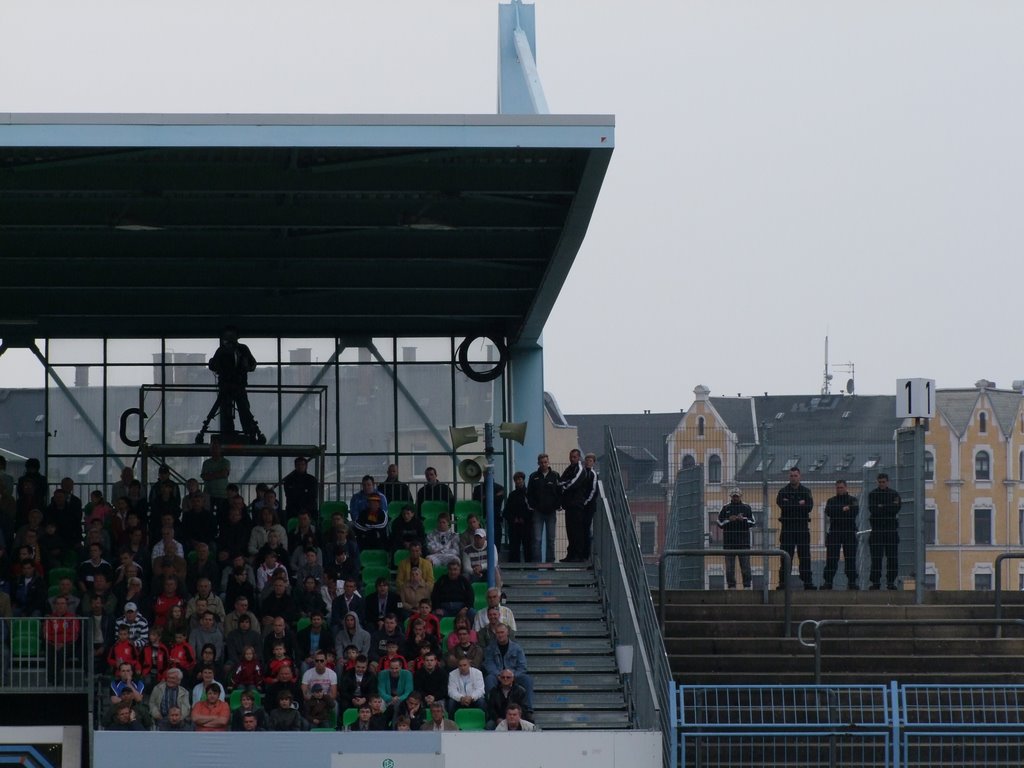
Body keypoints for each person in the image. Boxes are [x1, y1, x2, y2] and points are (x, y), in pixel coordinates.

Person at [207, 327, 264, 444]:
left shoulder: (222, 350)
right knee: (244, 410)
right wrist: (246, 366)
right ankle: (251, 432)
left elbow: (213, 366)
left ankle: (230, 432)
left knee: (231, 409)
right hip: (238, 386)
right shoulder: (241, 349)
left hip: (228, 386)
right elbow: (252, 365)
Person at [776, 468, 815, 590]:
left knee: (805, 556)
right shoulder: (783, 491)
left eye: (795, 475)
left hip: (802, 528)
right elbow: (782, 504)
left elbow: (809, 506)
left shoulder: (806, 491)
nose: (793, 477)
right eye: (791, 475)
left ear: (800, 476)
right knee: (786, 556)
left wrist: (791, 504)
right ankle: (783, 583)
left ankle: (807, 582)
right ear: (789, 477)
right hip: (787, 528)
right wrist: (799, 504)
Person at [482, 623, 533, 708]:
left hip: (514, 676)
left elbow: (522, 666)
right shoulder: (490, 648)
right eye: (498, 633)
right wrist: (500, 675)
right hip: (497, 676)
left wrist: (511, 676)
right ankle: (491, 710)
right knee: (489, 679)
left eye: (502, 632)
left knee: (527, 680)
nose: (500, 635)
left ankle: (528, 709)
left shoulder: (517, 648)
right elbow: (489, 664)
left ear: (507, 633)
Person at [822, 480, 860, 590]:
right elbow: (829, 512)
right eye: (838, 488)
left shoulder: (853, 500)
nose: (840, 489)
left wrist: (838, 511)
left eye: (841, 487)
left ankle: (852, 581)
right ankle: (828, 582)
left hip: (849, 532)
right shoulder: (831, 501)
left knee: (850, 558)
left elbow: (854, 512)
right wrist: (843, 509)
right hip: (835, 532)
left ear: (846, 487)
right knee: (832, 558)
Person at [868, 472, 902, 590]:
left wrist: (881, 506)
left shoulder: (894, 494)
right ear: (877, 482)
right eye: (880, 482)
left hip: (890, 530)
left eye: (883, 482)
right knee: (876, 558)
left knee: (892, 557)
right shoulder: (873, 494)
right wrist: (887, 507)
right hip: (877, 530)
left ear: (887, 482)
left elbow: (896, 509)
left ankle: (891, 582)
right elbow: (873, 510)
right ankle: (875, 582)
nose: (882, 484)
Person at [717, 488, 755, 589]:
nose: (735, 498)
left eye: (737, 496)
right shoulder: (725, 508)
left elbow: (753, 522)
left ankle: (747, 586)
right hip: (729, 543)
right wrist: (729, 520)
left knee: (746, 567)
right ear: (731, 497)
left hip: (744, 543)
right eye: (734, 496)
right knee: (729, 568)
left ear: (740, 496)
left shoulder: (746, 508)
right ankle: (731, 586)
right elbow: (719, 522)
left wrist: (743, 519)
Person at [527, 454, 560, 563]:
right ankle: (537, 563)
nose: (543, 464)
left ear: (548, 462)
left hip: (551, 512)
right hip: (538, 512)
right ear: (538, 463)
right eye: (541, 462)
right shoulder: (533, 476)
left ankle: (550, 563)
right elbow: (529, 493)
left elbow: (559, 492)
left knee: (551, 540)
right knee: (537, 540)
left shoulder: (555, 476)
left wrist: (557, 505)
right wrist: (533, 505)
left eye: (545, 462)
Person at [558, 449, 589, 562]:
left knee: (577, 531)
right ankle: (570, 554)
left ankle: (578, 555)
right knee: (570, 531)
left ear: (579, 457)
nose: (572, 459)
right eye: (571, 457)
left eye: (574, 457)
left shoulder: (580, 469)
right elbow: (560, 481)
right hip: (569, 505)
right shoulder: (569, 469)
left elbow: (573, 483)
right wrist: (563, 485)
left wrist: (564, 486)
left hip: (577, 505)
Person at [44, 595, 81, 685]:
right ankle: (50, 680)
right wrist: (56, 642)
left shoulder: (72, 618)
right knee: (50, 652)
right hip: (53, 644)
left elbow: (74, 634)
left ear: (67, 605)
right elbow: (46, 634)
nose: (60, 605)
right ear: (55, 606)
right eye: (58, 603)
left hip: (68, 644)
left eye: (63, 603)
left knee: (60, 654)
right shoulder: (50, 618)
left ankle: (56, 680)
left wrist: (63, 643)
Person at [503, 472, 533, 563]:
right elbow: (506, 511)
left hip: (526, 525)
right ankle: (514, 567)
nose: (518, 481)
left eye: (520, 479)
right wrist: (514, 519)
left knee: (527, 546)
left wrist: (524, 518)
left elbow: (532, 510)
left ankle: (529, 567)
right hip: (514, 526)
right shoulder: (512, 495)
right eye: (516, 480)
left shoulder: (529, 494)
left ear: (523, 480)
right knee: (514, 546)